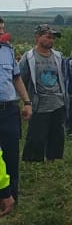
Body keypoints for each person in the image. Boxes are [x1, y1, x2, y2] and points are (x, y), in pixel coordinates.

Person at [19, 25, 67, 162]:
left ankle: (54, 160)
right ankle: (33, 162)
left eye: (53, 38)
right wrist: (25, 102)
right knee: (36, 135)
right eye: (48, 36)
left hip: (58, 101)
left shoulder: (58, 56)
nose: (51, 40)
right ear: (38, 37)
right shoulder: (28, 58)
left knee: (57, 134)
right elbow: (21, 79)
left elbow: (62, 77)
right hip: (39, 102)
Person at [0, 15, 26, 200]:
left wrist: (27, 102)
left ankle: (12, 197)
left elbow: (16, 78)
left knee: (11, 154)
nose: (2, 33)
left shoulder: (7, 50)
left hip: (9, 109)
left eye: (3, 29)